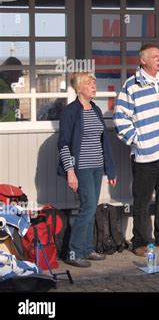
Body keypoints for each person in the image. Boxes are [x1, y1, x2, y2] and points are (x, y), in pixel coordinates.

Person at [114, 43, 159, 257]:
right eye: (154, 57)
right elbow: (120, 118)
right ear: (143, 60)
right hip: (144, 154)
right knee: (142, 199)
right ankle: (139, 241)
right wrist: (137, 141)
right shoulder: (131, 85)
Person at [57, 72, 117, 267]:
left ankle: (86, 249)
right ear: (80, 87)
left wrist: (110, 170)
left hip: (97, 167)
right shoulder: (70, 111)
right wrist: (70, 171)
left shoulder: (96, 109)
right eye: (90, 83)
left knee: (91, 209)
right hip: (80, 168)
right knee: (88, 208)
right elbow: (64, 144)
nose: (94, 85)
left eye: (94, 83)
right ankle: (73, 253)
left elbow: (104, 142)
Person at [0, 56, 23, 122]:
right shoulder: (2, 88)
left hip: (9, 128)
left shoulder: (7, 88)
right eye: (19, 71)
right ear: (11, 72)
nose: (20, 74)